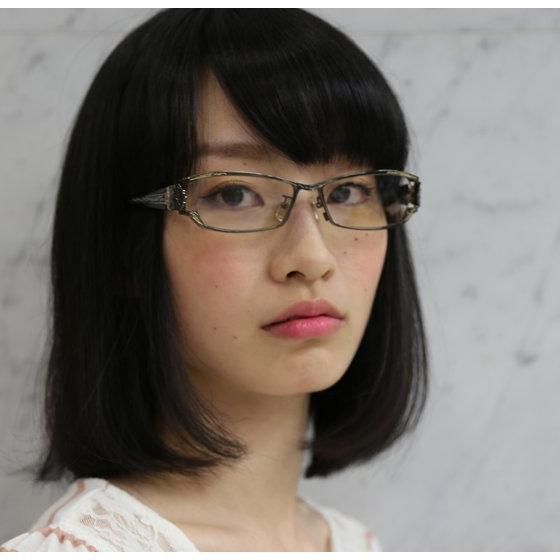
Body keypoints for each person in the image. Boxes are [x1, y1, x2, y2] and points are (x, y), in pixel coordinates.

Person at [1, 8, 428, 552]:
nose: (312, 257)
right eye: (234, 193)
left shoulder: (352, 543)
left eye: (347, 192)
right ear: (125, 250)